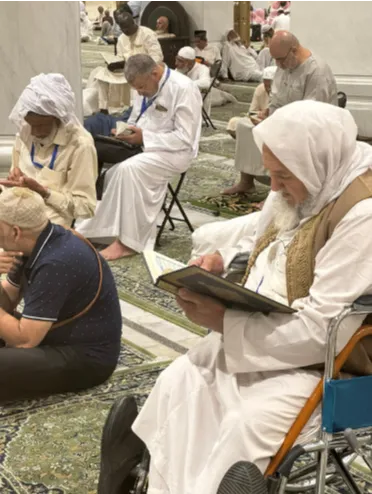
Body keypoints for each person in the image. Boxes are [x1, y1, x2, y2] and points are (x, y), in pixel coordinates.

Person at [98, 101, 372, 494]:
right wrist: (220, 259)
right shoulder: (303, 182)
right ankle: (143, 476)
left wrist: (224, 321)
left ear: (317, 162)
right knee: (181, 380)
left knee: (244, 422)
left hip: (327, 363)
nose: (272, 187)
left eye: (282, 175)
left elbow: (321, 329)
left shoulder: (362, 213)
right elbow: (265, 237)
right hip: (261, 328)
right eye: (270, 174)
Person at [0, 187, 122, 402]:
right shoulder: (35, 241)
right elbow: (7, 302)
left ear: (15, 231)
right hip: (48, 335)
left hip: (84, 357)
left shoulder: (56, 262)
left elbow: (25, 340)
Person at [77, 54, 202, 260]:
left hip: (176, 152)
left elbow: (186, 138)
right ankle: (101, 231)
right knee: (113, 173)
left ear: (155, 73)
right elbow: (137, 117)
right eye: (137, 89)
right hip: (144, 145)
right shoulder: (144, 85)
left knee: (129, 170)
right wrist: (126, 132)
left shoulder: (183, 88)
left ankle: (130, 243)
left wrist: (146, 138)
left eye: (142, 87)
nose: (140, 92)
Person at [224, 30, 338, 195]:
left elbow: (313, 114)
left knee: (277, 136)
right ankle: (246, 181)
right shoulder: (286, 64)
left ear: (293, 50)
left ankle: (280, 192)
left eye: (280, 59)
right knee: (245, 126)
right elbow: (277, 97)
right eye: (275, 60)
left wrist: (279, 121)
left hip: (310, 129)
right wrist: (268, 112)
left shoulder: (316, 71)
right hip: (283, 120)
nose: (278, 65)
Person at [2, 73, 98, 228]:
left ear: (57, 118)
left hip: (49, 223)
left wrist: (44, 192)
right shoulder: (25, 130)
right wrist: (14, 180)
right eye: (30, 124)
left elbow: (85, 207)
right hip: (16, 208)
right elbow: (15, 176)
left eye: (40, 125)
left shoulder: (80, 145)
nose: (33, 132)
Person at [94, 12, 163, 112]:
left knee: (137, 79)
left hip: (145, 71)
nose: (125, 30)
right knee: (101, 75)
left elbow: (158, 57)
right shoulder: (122, 38)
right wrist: (114, 63)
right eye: (123, 28)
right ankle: (103, 108)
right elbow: (120, 56)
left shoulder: (147, 34)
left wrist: (143, 67)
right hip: (125, 69)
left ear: (133, 23)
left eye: (127, 27)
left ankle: (134, 109)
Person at [227, 66, 277, 139]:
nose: (268, 89)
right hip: (260, 121)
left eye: (270, 86)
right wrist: (257, 116)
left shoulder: (284, 93)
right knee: (234, 122)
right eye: (266, 86)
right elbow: (252, 112)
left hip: (276, 125)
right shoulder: (260, 89)